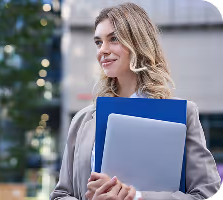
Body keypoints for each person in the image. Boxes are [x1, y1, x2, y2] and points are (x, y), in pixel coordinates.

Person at [50, 2, 221, 200]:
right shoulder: (82, 121)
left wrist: (138, 197)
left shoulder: (182, 114)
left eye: (113, 39)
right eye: (98, 42)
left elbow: (207, 192)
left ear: (138, 43)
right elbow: (61, 195)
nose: (102, 50)